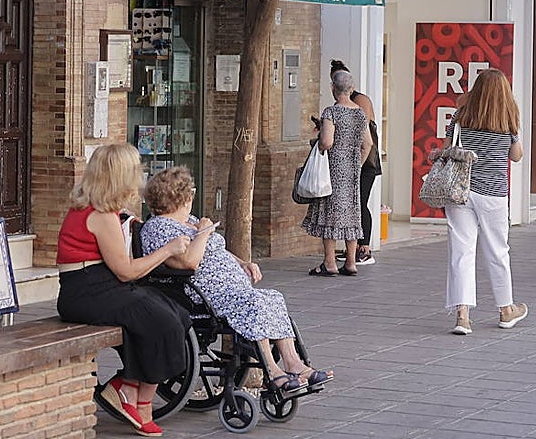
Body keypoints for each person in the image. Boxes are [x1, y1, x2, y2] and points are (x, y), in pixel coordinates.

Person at [140, 166, 330, 390]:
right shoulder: (159, 227)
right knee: (255, 302)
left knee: (273, 298)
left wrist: (242, 263)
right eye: (191, 191)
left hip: (230, 290)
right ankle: (273, 371)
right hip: (204, 296)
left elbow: (217, 250)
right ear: (183, 196)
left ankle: (294, 363)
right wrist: (202, 232)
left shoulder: (189, 220)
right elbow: (189, 262)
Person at [55, 142, 192, 438]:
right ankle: (137, 401)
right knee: (162, 319)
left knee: (176, 314)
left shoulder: (101, 209)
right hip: (88, 291)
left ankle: (128, 388)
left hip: (98, 285)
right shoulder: (100, 215)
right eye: (134, 170)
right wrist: (167, 250)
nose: (139, 175)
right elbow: (126, 270)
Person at [445, 68, 528, 335]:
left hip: (461, 190)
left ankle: (462, 317)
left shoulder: (461, 116)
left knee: (461, 252)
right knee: (497, 251)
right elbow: (516, 156)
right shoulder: (508, 118)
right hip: (493, 194)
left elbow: (448, 148)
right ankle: (506, 310)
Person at [303, 69, 373, 275]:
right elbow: (367, 143)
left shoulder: (331, 112)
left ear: (333, 88)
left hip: (332, 171)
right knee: (352, 214)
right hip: (352, 173)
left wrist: (318, 145)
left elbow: (326, 142)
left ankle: (330, 263)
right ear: (351, 89)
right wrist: (357, 164)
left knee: (330, 214)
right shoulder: (360, 113)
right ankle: (350, 263)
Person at [330, 59, 381, 266]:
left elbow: (364, 134)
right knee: (352, 203)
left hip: (365, 162)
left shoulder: (360, 102)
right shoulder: (340, 105)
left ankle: (365, 248)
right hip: (353, 162)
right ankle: (353, 250)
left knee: (360, 202)